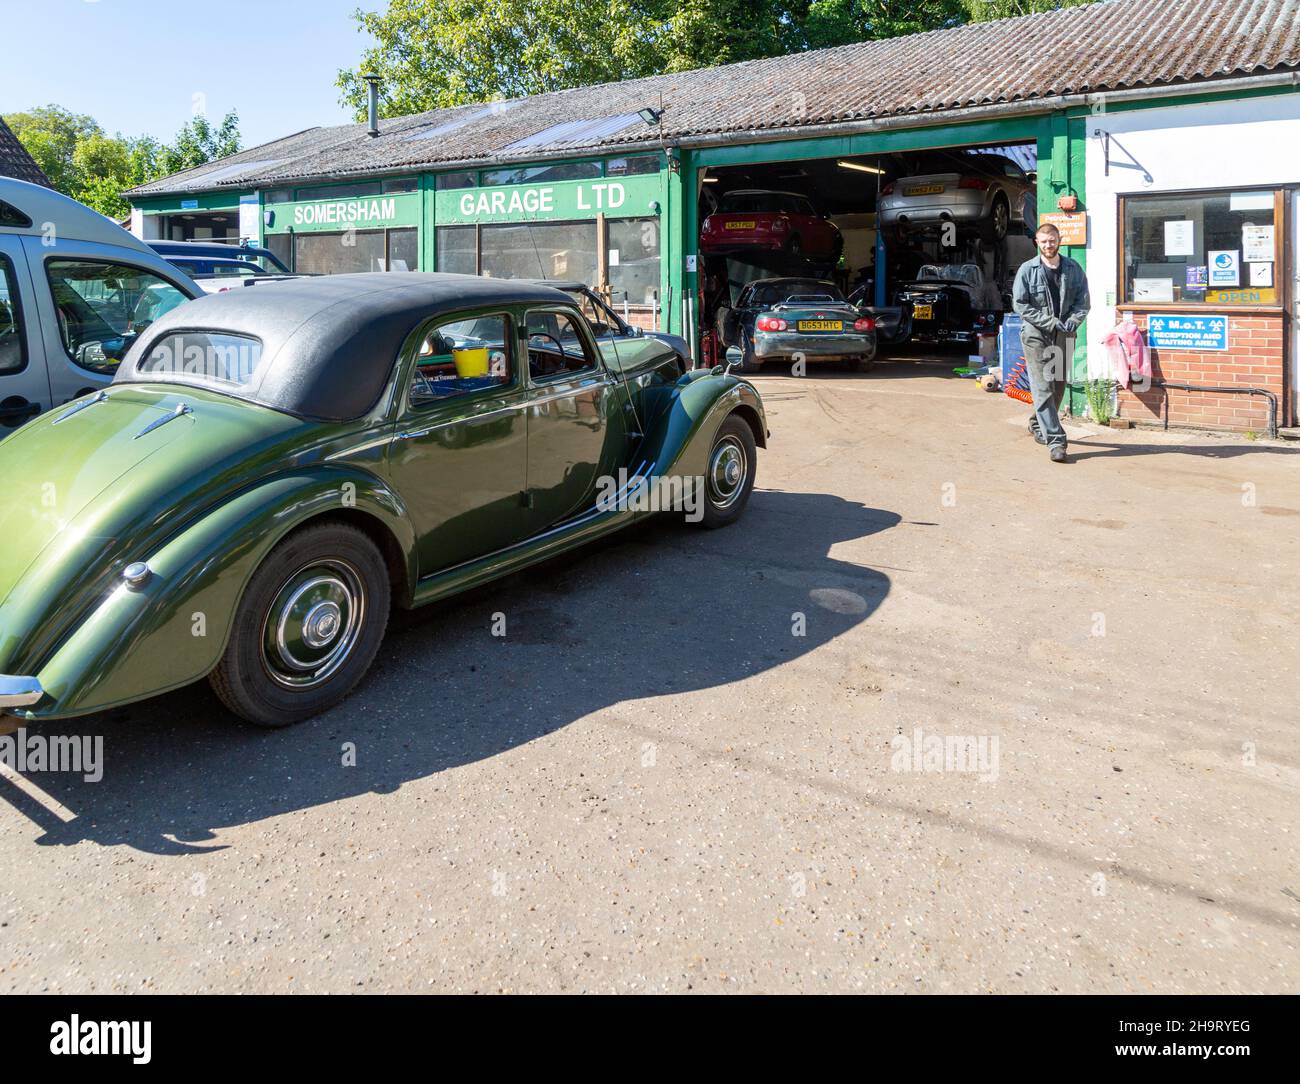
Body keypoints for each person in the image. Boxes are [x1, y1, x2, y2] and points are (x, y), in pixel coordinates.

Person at [1012, 223, 1090, 463]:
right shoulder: (1027, 270)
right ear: (1037, 242)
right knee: (1042, 385)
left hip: (1065, 334)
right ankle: (1056, 441)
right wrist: (1049, 322)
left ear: (1059, 240)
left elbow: (1083, 302)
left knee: (1058, 386)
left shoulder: (1073, 268)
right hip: (1037, 334)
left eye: (1052, 240)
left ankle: (1038, 423)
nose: (1048, 245)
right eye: (1044, 241)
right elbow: (1020, 304)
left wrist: (1073, 321)